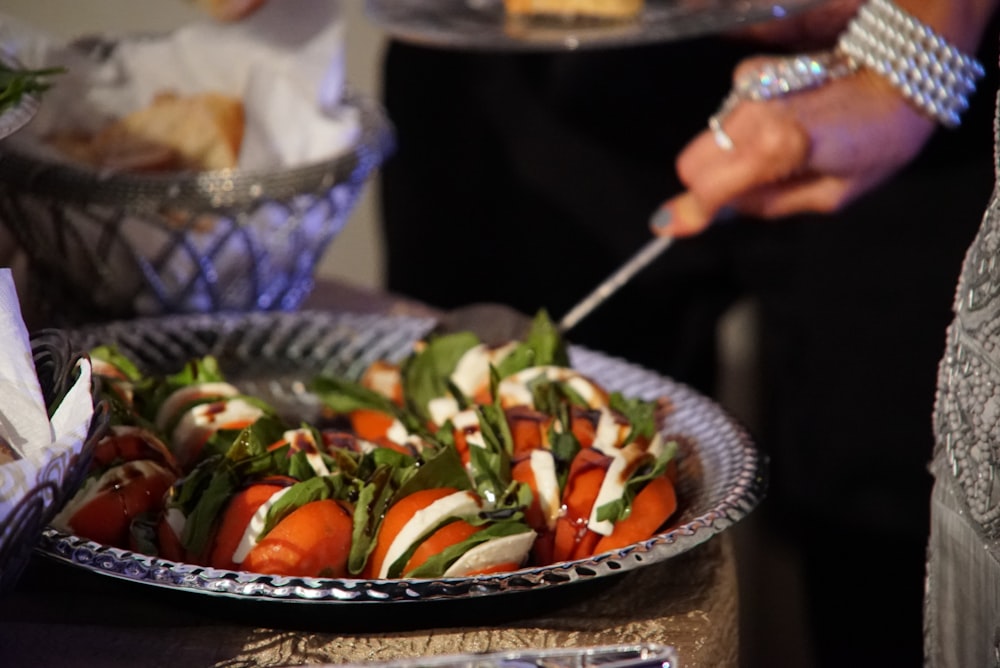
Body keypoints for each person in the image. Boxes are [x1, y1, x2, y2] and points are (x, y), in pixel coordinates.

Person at [378, 2, 1000, 666]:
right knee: (473, 562)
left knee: (892, 561)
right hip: (512, 75)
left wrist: (917, 49)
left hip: (911, 73)